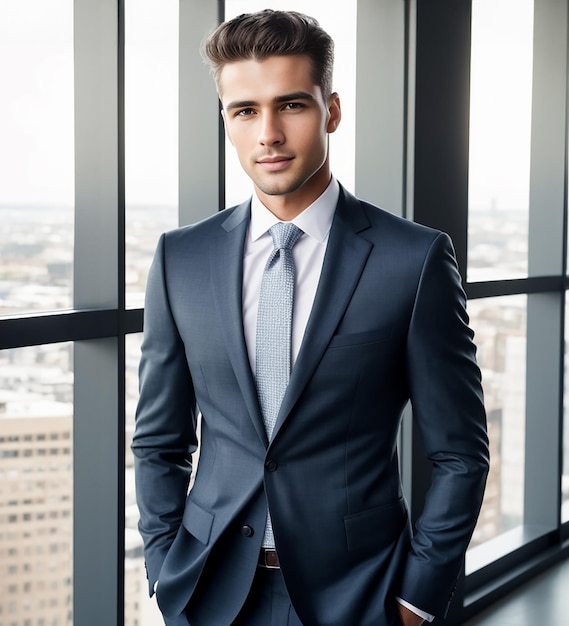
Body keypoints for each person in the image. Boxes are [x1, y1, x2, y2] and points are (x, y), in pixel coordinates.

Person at [132, 9, 489, 626]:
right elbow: (159, 440)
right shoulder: (180, 259)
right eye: (245, 111)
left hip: (359, 595)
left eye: (291, 105)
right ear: (226, 123)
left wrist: (416, 600)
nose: (267, 133)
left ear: (332, 111)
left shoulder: (414, 260)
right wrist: (166, 571)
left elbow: (460, 452)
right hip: (210, 592)